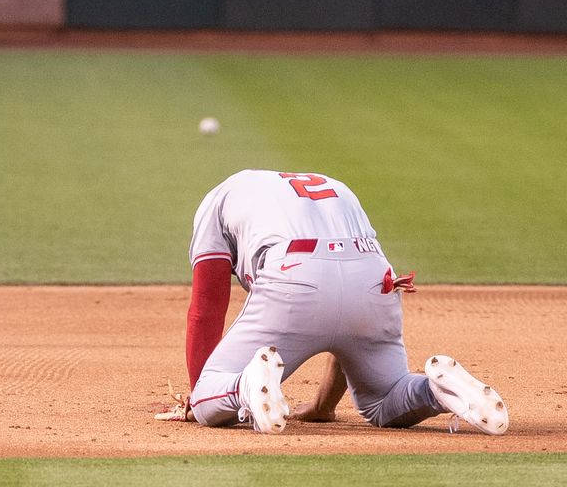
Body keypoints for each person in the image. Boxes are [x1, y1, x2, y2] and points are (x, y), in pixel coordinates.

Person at [155, 169, 508, 435]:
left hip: (294, 271)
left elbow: (206, 308)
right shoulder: (334, 186)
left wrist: (198, 393)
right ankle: (437, 390)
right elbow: (343, 323)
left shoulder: (218, 199)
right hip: (374, 277)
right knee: (383, 402)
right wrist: (323, 406)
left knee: (208, 401)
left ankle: (244, 385)